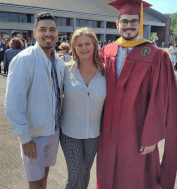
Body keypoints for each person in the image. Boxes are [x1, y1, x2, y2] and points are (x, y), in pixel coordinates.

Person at [96, 0, 177, 189]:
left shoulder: (155, 55)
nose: (129, 26)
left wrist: (151, 135)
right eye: (124, 21)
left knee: (134, 175)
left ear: (139, 24)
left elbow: (160, 99)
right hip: (108, 128)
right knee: (108, 172)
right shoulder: (107, 51)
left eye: (134, 21)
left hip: (137, 129)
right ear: (117, 24)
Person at [5, 12, 65, 189]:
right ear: (34, 32)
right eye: (43, 30)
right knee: (34, 183)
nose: (48, 34)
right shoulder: (25, 59)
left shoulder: (59, 62)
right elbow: (13, 103)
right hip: (34, 135)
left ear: (57, 33)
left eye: (52, 30)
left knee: (45, 176)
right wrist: (25, 138)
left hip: (53, 131)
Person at [60, 27, 106, 189]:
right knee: (74, 174)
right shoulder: (65, 70)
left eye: (87, 44)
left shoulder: (105, 71)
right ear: (73, 47)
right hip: (69, 132)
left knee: (85, 171)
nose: (84, 48)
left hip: (93, 133)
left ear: (94, 45)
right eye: (79, 45)